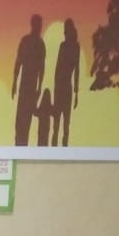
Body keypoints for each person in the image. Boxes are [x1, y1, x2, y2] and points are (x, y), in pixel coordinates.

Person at [12, 14, 46, 146]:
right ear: (33, 25)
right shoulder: (26, 41)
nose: (40, 28)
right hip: (24, 87)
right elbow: (18, 62)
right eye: (38, 25)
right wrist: (14, 82)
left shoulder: (41, 45)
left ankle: (22, 148)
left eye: (40, 25)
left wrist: (39, 88)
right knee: (19, 123)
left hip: (31, 88)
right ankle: (19, 146)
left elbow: (42, 68)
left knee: (26, 123)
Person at [52, 18, 81, 147]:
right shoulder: (67, 46)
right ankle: (57, 146)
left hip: (64, 86)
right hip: (62, 86)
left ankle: (63, 146)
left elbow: (76, 69)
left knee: (64, 121)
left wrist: (76, 92)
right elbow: (58, 67)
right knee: (59, 121)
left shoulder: (71, 46)